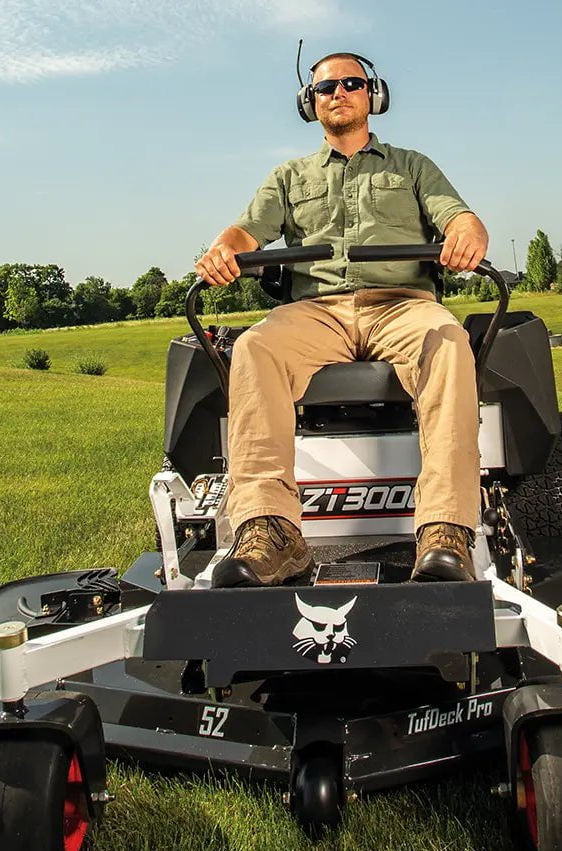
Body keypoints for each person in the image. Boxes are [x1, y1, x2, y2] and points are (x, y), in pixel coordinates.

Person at [195, 51, 489, 588]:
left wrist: (467, 235)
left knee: (449, 339)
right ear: (309, 103)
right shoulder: (288, 177)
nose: (338, 93)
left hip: (403, 305)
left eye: (351, 83)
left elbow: (460, 219)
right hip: (317, 310)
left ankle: (445, 530)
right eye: (325, 88)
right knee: (255, 346)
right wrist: (223, 250)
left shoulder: (413, 166)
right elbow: (245, 232)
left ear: (373, 94)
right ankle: (269, 530)